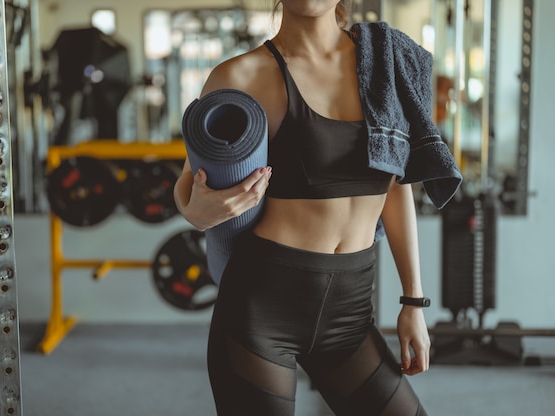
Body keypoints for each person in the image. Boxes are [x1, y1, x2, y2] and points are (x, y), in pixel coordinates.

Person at [173, 1, 462, 415]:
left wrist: (413, 301)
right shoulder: (240, 75)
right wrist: (199, 212)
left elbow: (396, 186)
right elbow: (187, 191)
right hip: (260, 311)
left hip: (350, 312)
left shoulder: (385, 62)